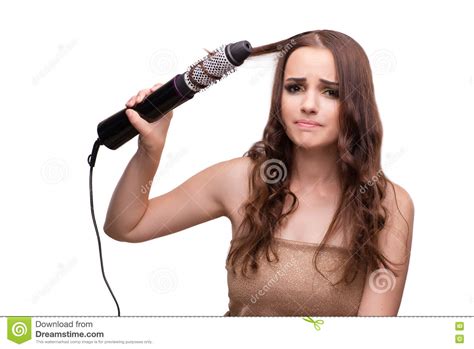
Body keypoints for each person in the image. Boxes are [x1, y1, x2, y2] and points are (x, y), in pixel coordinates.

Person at [103, 29, 415, 316]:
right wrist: (150, 153)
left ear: (355, 103)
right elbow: (125, 226)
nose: (308, 104)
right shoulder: (241, 181)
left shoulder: (389, 205)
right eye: (295, 88)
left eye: (330, 92)